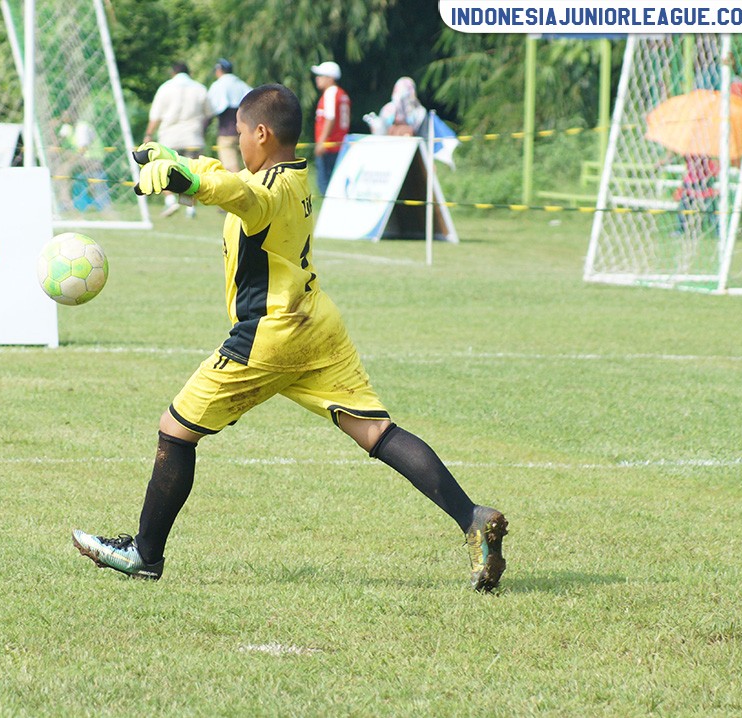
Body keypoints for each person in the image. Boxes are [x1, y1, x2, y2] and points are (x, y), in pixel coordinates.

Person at [71, 84, 508, 592]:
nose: (237, 144)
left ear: (261, 132)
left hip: (269, 335)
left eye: (240, 134)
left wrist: (182, 179)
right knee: (377, 432)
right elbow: (234, 180)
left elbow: (237, 194)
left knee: (175, 429)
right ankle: (472, 516)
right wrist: (182, 162)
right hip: (317, 324)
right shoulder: (293, 176)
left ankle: (145, 554)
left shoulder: (265, 193)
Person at [145, 62, 210, 218]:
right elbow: (209, 113)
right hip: (193, 137)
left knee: (162, 170)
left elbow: (156, 115)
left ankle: (170, 200)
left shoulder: (165, 88)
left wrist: (148, 134)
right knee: (191, 174)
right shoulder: (199, 88)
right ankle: (190, 209)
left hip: (169, 137)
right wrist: (203, 130)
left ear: (173, 72)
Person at [311, 61, 351, 196]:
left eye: (321, 75)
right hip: (340, 144)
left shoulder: (330, 93)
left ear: (330, 78)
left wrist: (321, 142)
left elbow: (330, 117)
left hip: (329, 146)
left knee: (325, 184)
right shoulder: (342, 94)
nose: (317, 78)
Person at [206, 58, 252, 172]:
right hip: (246, 131)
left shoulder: (218, 85)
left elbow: (210, 110)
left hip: (226, 133)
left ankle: (239, 189)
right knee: (249, 166)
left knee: (230, 167)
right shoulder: (242, 85)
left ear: (219, 70)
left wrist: (203, 128)